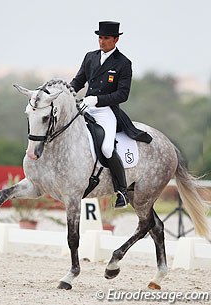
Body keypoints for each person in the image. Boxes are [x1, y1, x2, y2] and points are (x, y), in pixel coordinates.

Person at [70, 21, 151, 208]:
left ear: (115, 39)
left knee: (107, 148)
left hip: (106, 110)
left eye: (106, 38)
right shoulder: (90, 57)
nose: (102, 41)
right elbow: (78, 82)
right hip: (86, 106)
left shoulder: (123, 63)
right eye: (100, 37)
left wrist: (97, 100)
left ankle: (122, 190)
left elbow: (122, 94)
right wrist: (66, 93)